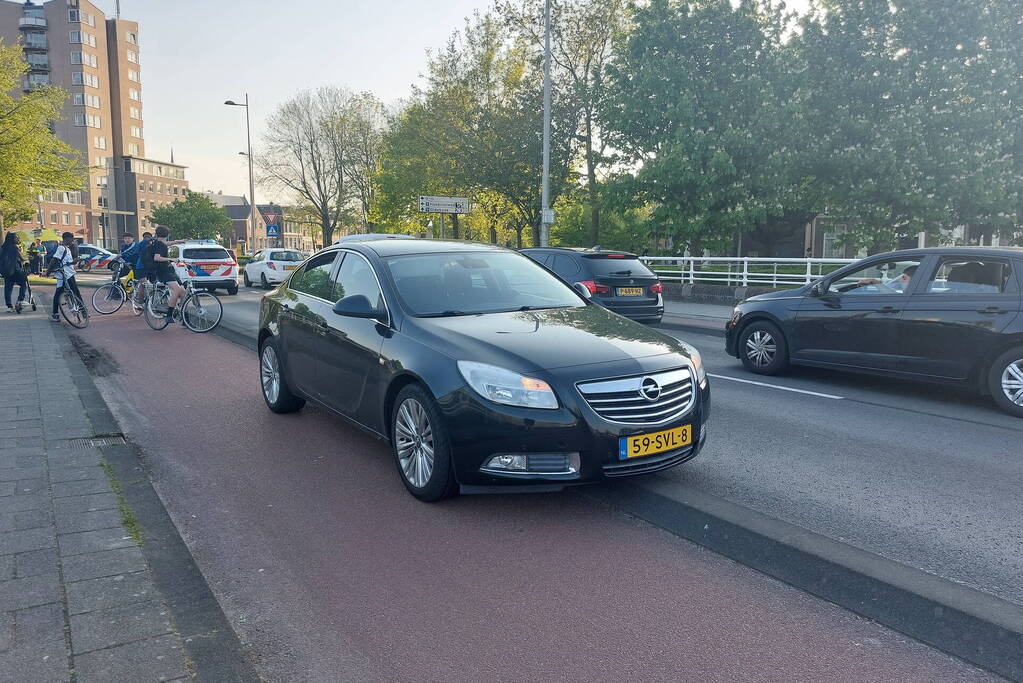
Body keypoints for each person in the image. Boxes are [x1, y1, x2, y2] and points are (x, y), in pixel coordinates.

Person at [150, 226, 185, 323]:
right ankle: (169, 315)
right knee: (177, 290)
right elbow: (156, 257)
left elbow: (167, 243)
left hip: (169, 270)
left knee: (183, 293)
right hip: (163, 271)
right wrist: (171, 259)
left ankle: (184, 317)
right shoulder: (159, 245)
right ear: (167, 234)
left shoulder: (159, 243)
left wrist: (178, 241)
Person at [46, 232, 81, 322]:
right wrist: (48, 272)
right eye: (72, 239)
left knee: (75, 292)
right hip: (64, 275)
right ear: (66, 238)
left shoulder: (67, 249)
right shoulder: (61, 248)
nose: (73, 241)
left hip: (69, 273)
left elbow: (67, 263)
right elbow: (54, 260)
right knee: (61, 293)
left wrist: (74, 261)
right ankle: (55, 313)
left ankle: (82, 310)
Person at [0, 233, 28, 313]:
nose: (18, 239)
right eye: (16, 238)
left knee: (8, 288)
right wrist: (27, 258)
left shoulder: (2, 247)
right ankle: (20, 300)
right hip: (15, 270)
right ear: (12, 239)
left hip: (5, 271)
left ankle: (9, 306)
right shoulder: (14, 247)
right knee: (23, 283)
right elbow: (22, 258)